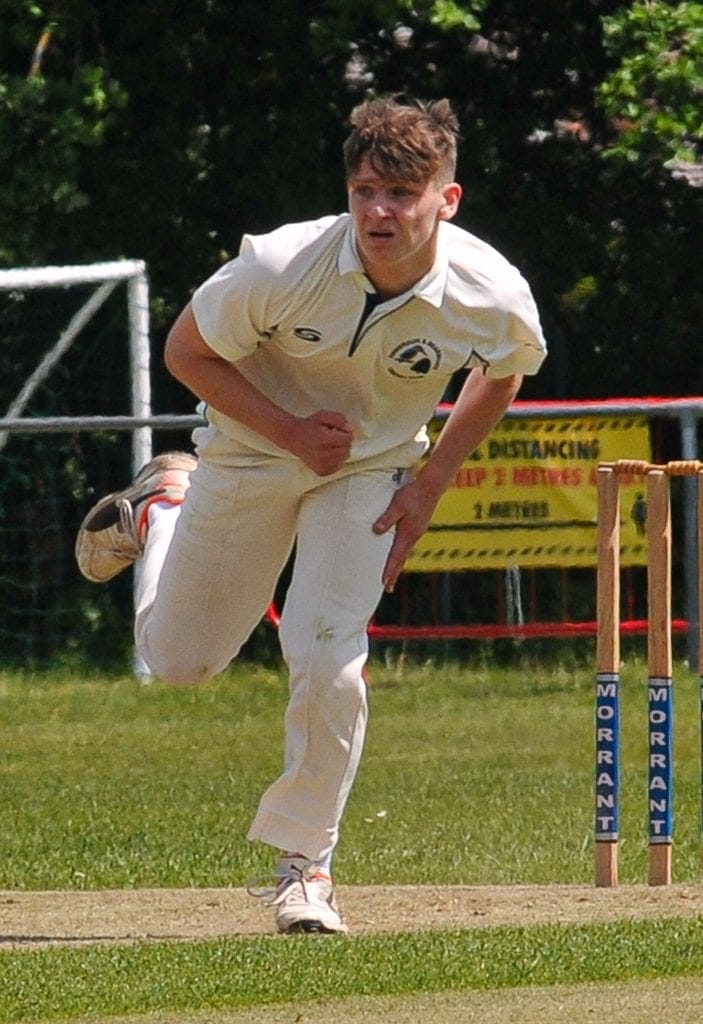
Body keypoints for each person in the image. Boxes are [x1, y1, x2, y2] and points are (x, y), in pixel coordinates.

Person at [75, 95, 547, 934]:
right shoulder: (279, 264)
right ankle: (163, 509)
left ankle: (306, 870)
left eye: (403, 193)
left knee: (327, 654)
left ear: (447, 198)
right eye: (367, 189)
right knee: (180, 663)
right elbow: (187, 350)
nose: (380, 211)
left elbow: (504, 371)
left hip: (368, 472)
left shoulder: (489, 290)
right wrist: (289, 429)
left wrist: (430, 482)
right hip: (253, 452)